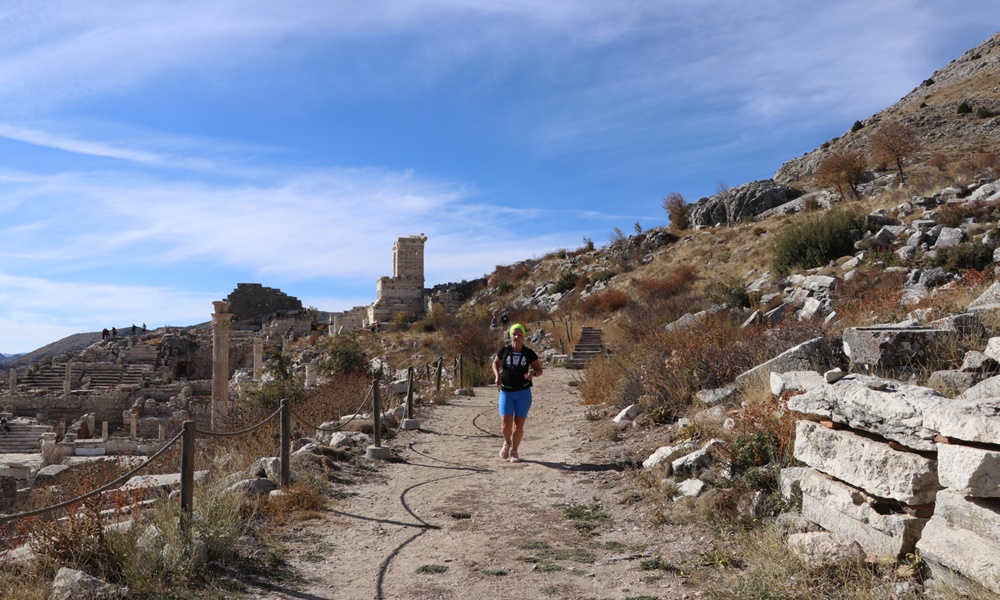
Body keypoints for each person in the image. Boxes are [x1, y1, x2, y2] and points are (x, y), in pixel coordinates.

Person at [492, 323, 543, 463]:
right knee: (505, 424)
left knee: (518, 425)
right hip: (506, 392)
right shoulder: (505, 350)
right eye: (514, 334)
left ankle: (515, 451)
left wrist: (532, 374)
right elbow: (495, 363)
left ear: (523, 337)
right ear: (511, 336)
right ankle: (507, 443)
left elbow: (539, 370)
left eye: (520, 335)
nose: (517, 337)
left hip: (523, 393)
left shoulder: (528, 353)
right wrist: (497, 376)